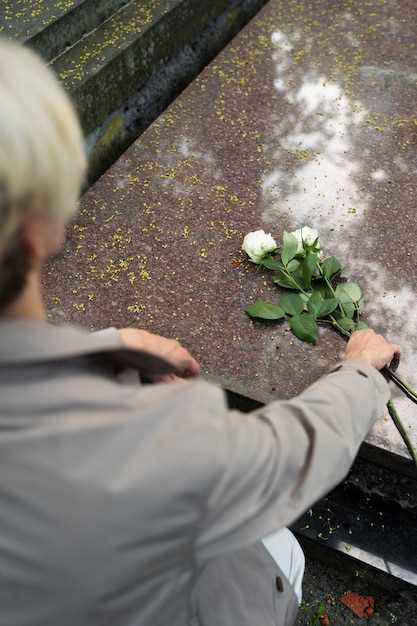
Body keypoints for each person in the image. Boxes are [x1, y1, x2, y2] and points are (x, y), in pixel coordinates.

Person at [0, 39, 399, 626]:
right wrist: (361, 373)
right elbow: (285, 459)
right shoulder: (133, 438)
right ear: (41, 227)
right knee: (280, 552)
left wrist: (103, 347)